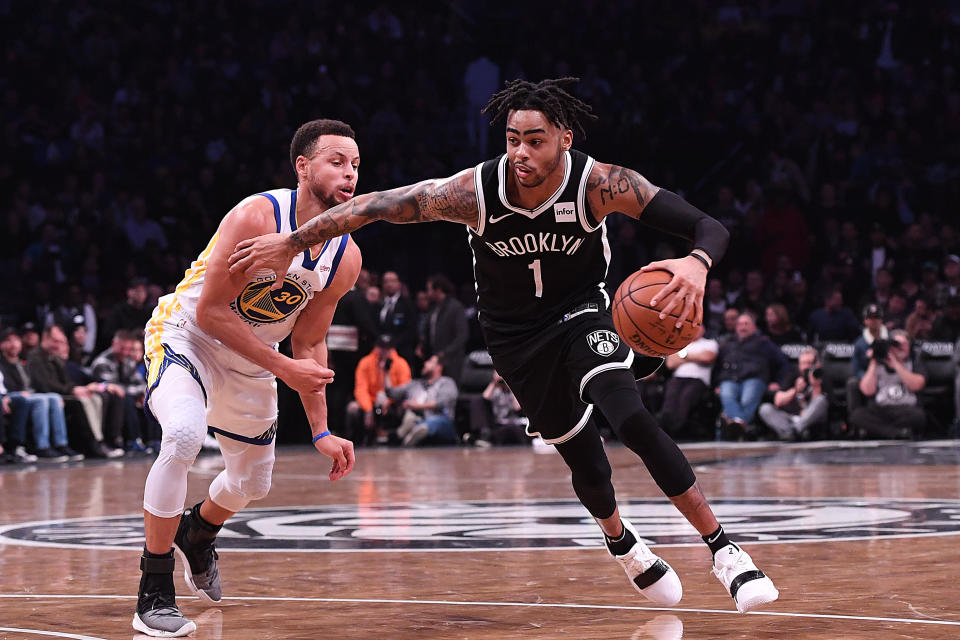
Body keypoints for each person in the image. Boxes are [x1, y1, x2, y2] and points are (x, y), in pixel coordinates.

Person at [229, 78, 778, 613]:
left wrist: (697, 264)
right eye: (512, 139)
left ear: (565, 138)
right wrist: (295, 241)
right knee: (584, 460)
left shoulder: (600, 183)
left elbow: (709, 227)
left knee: (629, 416)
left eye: (534, 140)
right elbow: (377, 206)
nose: (520, 151)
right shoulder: (475, 192)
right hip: (516, 340)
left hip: (584, 313)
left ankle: (724, 550)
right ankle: (619, 539)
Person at [132, 119, 359, 637]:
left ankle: (199, 531)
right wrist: (282, 367)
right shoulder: (258, 215)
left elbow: (308, 342)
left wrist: (321, 430)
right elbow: (212, 312)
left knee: (252, 482)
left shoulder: (346, 256)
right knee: (184, 435)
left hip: (254, 355)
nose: (349, 174)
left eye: (355, 165)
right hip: (188, 335)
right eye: (337, 162)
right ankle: (153, 591)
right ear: (302, 168)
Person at [715, 312, 791, 436]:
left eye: (746, 324)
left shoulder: (763, 343)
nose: (742, 327)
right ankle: (741, 425)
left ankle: (732, 421)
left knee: (747, 398)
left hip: (754, 378)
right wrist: (717, 384)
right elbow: (718, 366)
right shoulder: (728, 344)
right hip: (730, 378)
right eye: (740, 324)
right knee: (727, 394)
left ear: (754, 327)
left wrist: (779, 382)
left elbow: (783, 363)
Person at [848, 329, 927, 439]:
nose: (900, 347)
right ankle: (896, 433)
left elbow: (917, 385)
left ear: (910, 346)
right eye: (896, 344)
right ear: (890, 347)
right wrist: (873, 362)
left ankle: (882, 431)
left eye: (904, 344)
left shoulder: (913, 362)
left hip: (905, 409)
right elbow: (867, 390)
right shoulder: (878, 363)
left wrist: (896, 364)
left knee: (919, 416)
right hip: (881, 409)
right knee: (857, 416)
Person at [346, 333, 412, 445]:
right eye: (382, 348)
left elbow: (404, 390)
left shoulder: (401, 364)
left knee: (406, 407)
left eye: (387, 348)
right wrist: (368, 409)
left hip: (393, 403)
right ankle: (354, 441)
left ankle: (396, 440)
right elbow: (361, 389)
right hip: (372, 401)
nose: (384, 352)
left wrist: (390, 401)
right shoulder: (365, 363)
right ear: (376, 347)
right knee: (353, 408)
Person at [657, 324, 718, 439]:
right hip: (678, 377)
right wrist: (695, 357)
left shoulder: (709, 343)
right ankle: (664, 432)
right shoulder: (680, 344)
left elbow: (707, 358)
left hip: (698, 379)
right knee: (669, 401)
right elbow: (670, 364)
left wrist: (683, 356)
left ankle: (675, 432)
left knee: (685, 399)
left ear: (703, 329)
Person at [758, 347, 828, 440]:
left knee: (820, 399)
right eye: (803, 363)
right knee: (765, 408)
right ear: (799, 365)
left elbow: (822, 407)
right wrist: (795, 390)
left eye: (809, 363)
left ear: (817, 364)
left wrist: (815, 386)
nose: (806, 367)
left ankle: (794, 431)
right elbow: (778, 401)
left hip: (810, 421)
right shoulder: (792, 375)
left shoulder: (822, 377)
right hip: (790, 417)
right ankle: (792, 432)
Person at [390, 354, 459, 446]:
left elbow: (441, 403)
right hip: (420, 419)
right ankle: (400, 436)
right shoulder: (415, 384)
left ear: (439, 367)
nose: (425, 363)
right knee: (410, 417)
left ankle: (410, 438)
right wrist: (386, 372)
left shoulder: (447, 382)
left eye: (430, 361)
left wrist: (416, 406)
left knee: (431, 423)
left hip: (442, 422)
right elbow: (392, 393)